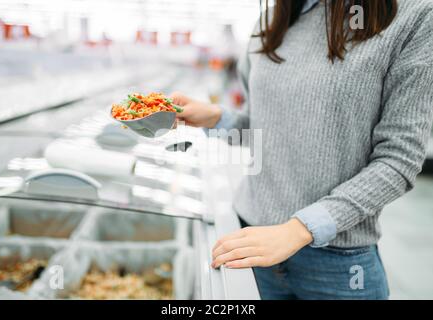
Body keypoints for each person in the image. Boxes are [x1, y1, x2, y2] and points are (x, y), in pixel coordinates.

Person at [171, 0, 433, 299]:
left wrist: (298, 230)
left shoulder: (414, 15)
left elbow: (398, 160)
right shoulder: (270, 21)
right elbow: (265, 130)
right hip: (250, 243)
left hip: (337, 266)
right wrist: (216, 118)